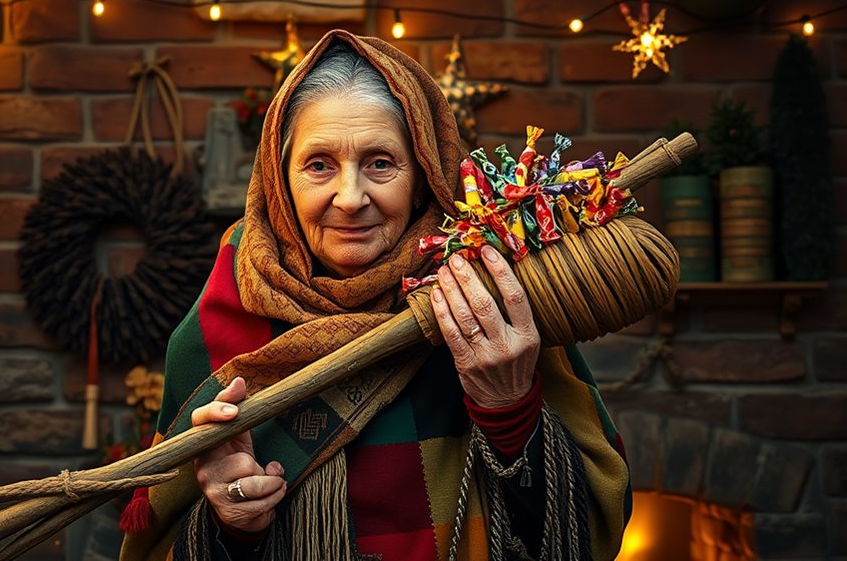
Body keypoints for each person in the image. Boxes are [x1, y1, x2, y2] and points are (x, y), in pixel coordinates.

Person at [120, 30, 630, 561]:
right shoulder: (216, 331)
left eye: (381, 163)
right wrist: (232, 525)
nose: (350, 197)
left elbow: (592, 531)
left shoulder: (493, 297)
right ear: (279, 179)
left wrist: (510, 409)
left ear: (425, 175)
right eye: (319, 165)